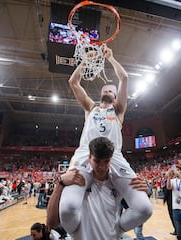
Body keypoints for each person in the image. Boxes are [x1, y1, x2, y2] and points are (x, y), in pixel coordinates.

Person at [59, 46, 152, 234]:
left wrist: (111, 57)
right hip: (86, 154)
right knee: (68, 208)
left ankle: (116, 230)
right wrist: (86, 60)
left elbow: (124, 78)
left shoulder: (118, 111)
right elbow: (74, 82)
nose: (109, 89)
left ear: (116, 97)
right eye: (106, 88)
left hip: (114, 157)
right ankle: (75, 233)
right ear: (101, 93)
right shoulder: (90, 108)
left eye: (112, 89)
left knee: (144, 208)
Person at [47, 137, 151, 239]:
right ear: (89, 158)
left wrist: (145, 192)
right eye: (97, 161)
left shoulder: (118, 182)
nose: (102, 167)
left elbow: (140, 210)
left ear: (111, 160)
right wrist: (60, 183)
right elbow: (51, 223)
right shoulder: (75, 179)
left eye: (106, 161)